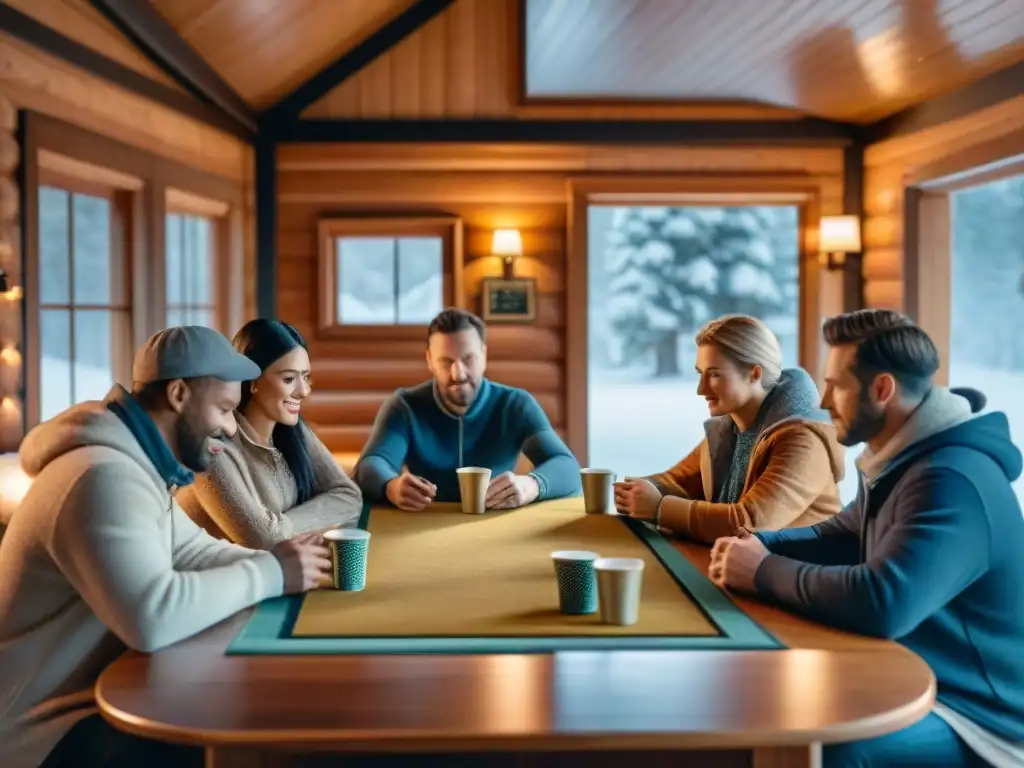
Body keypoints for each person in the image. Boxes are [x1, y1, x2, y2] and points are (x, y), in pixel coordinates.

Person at [0, 326, 332, 768]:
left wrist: (292, 568)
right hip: (40, 735)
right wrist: (272, 574)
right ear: (179, 394)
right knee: (252, 729)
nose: (232, 429)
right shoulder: (100, 477)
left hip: (88, 699)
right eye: (225, 409)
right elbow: (152, 616)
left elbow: (196, 552)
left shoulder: (138, 467)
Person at [710, 309, 1024, 767]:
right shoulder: (900, 458)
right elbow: (839, 533)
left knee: (828, 749)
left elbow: (884, 602)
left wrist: (761, 572)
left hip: (978, 717)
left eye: (836, 385)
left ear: (882, 390)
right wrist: (761, 545)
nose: (821, 398)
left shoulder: (952, 479)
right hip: (912, 674)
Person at [615, 314, 844, 543]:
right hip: (749, 568)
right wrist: (637, 492)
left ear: (754, 374)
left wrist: (659, 509)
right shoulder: (731, 428)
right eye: (700, 374)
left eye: (714, 374)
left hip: (804, 573)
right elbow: (679, 482)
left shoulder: (804, 442)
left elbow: (746, 523)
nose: (701, 389)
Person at [354, 308, 581, 510]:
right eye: (445, 361)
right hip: (424, 525)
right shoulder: (405, 406)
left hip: (495, 524)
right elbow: (370, 466)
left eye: (468, 359)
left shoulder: (515, 405)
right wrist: (391, 487)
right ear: (429, 361)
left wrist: (532, 485)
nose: (458, 374)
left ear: (484, 355)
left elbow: (567, 466)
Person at [177, 320, 363, 549]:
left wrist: (279, 528)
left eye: (305, 377)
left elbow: (349, 496)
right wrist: (310, 524)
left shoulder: (291, 428)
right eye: (288, 379)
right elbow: (263, 539)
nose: (303, 391)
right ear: (253, 382)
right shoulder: (210, 447)